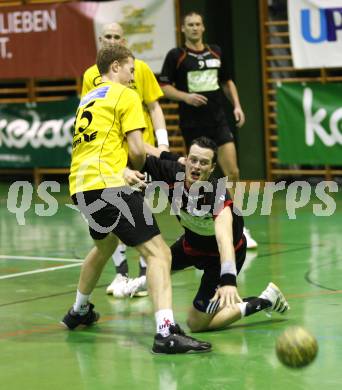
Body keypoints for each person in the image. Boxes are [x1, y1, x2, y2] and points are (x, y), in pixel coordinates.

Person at [61, 45, 211, 354]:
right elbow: (139, 151)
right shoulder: (125, 96)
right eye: (131, 69)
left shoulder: (88, 98)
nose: (134, 76)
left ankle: (79, 310)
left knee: (104, 246)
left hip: (81, 185)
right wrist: (156, 168)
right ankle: (165, 331)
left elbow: (120, 146)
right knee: (159, 254)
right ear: (115, 67)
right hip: (110, 185)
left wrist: (171, 158)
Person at [127, 137, 289, 331]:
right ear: (186, 160)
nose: (196, 167)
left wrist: (228, 279)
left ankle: (265, 299)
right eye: (193, 160)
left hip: (219, 259)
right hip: (190, 245)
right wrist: (125, 171)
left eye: (203, 163)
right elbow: (136, 151)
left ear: (212, 168)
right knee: (159, 265)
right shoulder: (172, 173)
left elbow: (224, 241)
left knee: (196, 324)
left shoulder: (216, 194)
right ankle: (146, 283)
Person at [82, 22, 169, 298]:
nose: (110, 40)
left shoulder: (138, 69)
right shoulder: (91, 77)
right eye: (106, 36)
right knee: (148, 240)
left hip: (122, 157)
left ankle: (143, 276)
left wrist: (163, 144)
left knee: (136, 217)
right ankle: (124, 275)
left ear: (123, 41)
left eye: (115, 36)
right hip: (113, 158)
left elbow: (154, 106)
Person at [159, 11, 258, 250]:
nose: (194, 28)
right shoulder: (177, 56)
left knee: (232, 172)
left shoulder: (215, 52)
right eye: (189, 25)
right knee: (197, 177)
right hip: (193, 126)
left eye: (198, 24)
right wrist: (186, 97)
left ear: (203, 28)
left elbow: (227, 81)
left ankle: (236, 224)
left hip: (218, 121)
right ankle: (204, 222)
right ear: (183, 29)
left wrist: (236, 106)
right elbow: (163, 87)